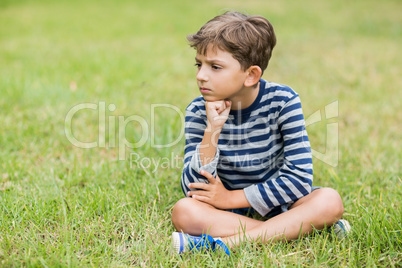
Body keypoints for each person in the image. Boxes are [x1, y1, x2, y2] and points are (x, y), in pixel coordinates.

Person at [171, 11, 349, 256]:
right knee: (184, 211)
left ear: (251, 74)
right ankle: (296, 230)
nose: (201, 75)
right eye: (199, 64)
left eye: (215, 66)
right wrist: (212, 129)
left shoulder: (283, 102)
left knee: (329, 200)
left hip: (281, 204)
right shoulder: (198, 110)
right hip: (227, 216)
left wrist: (230, 198)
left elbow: (299, 179)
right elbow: (194, 188)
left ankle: (228, 244)